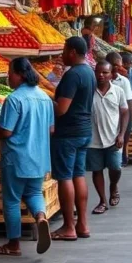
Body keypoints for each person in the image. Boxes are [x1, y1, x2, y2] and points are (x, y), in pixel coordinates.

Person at [0, 57, 53, 257]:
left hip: (17, 157)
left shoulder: (14, 99)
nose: (8, 77)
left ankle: (13, 244)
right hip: (39, 156)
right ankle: (40, 218)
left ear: (19, 74)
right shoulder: (45, 98)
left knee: (11, 200)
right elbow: (51, 128)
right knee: (34, 193)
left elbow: (5, 132)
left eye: (9, 73)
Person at [51, 36, 96, 241]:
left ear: (71, 52)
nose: (62, 54)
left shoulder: (73, 75)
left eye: (64, 50)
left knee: (65, 177)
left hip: (68, 133)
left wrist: (45, 101)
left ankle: (69, 226)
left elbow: (61, 109)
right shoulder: (89, 72)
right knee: (78, 174)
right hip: (84, 131)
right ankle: (82, 224)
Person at [87, 61, 128, 215]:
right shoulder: (89, 91)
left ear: (111, 74)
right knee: (97, 170)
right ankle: (102, 201)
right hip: (93, 139)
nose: (101, 75)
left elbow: (124, 112)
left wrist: (122, 134)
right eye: (98, 72)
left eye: (105, 72)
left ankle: (113, 186)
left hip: (113, 138)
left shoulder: (118, 91)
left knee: (115, 167)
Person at [117, 52, 132, 166]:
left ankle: (123, 155)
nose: (129, 65)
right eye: (127, 63)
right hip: (124, 103)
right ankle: (121, 155)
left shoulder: (131, 75)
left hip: (128, 103)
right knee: (123, 130)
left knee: (125, 130)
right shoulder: (120, 75)